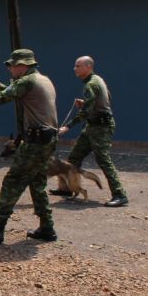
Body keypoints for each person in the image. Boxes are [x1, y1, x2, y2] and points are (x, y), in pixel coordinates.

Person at [0, 49, 59, 243]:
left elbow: (0, 98)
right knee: (37, 184)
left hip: (36, 141)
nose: (10, 69)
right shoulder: (42, 79)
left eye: (12, 66)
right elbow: (15, 93)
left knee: (13, 181)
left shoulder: (27, 81)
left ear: (22, 66)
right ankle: (47, 228)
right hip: (47, 139)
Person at [55, 56, 128, 207]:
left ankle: (120, 195)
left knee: (103, 160)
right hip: (93, 126)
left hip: (101, 127)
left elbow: (84, 112)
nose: (74, 69)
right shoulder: (96, 80)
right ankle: (67, 189)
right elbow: (106, 98)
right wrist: (87, 104)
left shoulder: (90, 84)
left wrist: (67, 126)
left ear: (88, 67)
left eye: (77, 66)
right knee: (74, 157)